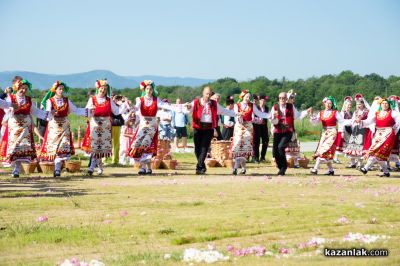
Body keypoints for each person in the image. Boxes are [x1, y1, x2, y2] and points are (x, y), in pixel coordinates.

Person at [128, 80, 184, 175]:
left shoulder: (156, 100)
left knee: (147, 146)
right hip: (143, 125)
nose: (149, 90)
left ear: (152, 90)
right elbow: (136, 108)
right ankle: (146, 168)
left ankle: (145, 168)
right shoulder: (140, 100)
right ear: (144, 90)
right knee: (138, 145)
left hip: (152, 126)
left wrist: (180, 107)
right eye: (147, 89)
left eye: (150, 89)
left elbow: (167, 106)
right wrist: (130, 105)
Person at [39, 81, 89, 177]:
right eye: (59, 89)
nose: (61, 91)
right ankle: (57, 168)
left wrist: (88, 111)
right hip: (54, 126)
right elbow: (47, 113)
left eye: (62, 89)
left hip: (65, 126)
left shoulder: (66, 100)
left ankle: (57, 169)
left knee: (63, 147)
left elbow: (75, 110)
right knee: (55, 149)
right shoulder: (50, 101)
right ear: (55, 90)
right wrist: (51, 113)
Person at [0, 79, 49, 177]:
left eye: (25, 89)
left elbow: (36, 112)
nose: (23, 90)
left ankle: (17, 170)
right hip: (14, 126)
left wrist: (49, 114)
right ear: (17, 88)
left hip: (25, 126)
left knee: (22, 148)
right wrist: (11, 111)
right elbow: (5, 107)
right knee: (14, 147)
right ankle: (16, 168)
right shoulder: (11, 98)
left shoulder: (28, 100)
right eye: (22, 88)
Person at [82, 79, 129, 176]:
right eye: (101, 88)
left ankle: (99, 167)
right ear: (98, 88)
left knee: (102, 147)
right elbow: (86, 111)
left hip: (106, 125)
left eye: (105, 89)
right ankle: (92, 167)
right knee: (95, 146)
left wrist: (125, 104)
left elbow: (116, 111)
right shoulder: (92, 99)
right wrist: (90, 110)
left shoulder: (109, 100)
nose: (103, 90)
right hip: (95, 124)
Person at [185, 86, 235, 174]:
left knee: (204, 148)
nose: (208, 95)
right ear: (203, 93)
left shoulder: (214, 104)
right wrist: (188, 107)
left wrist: (237, 114)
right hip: (198, 127)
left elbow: (224, 111)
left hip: (209, 128)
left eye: (209, 94)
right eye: (206, 93)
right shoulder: (196, 102)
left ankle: (199, 167)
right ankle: (201, 166)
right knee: (197, 149)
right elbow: (188, 109)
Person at [230, 90, 271, 175]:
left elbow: (260, 114)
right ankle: (240, 168)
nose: (248, 98)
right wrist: (239, 117)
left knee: (245, 149)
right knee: (238, 148)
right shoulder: (236, 105)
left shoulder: (252, 105)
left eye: (249, 97)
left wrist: (270, 115)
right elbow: (235, 117)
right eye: (246, 96)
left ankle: (237, 168)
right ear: (242, 96)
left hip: (248, 128)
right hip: (239, 128)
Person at [270, 92, 310, 176]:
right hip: (277, 131)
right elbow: (272, 121)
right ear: (278, 99)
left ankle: (283, 167)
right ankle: (280, 167)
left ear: (286, 99)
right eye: (280, 98)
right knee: (275, 151)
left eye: (284, 98)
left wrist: (307, 111)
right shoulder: (274, 107)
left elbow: (298, 115)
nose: (282, 100)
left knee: (281, 147)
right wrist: (274, 118)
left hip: (288, 131)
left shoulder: (291, 106)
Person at [358, 98, 400, 177]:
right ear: (380, 105)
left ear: (389, 105)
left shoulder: (393, 113)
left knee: (377, 151)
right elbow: (369, 121)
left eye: (386, 103)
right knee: (379, 154)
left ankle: (365, 168)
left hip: (388, 134)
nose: (385, 105)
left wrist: (394, 130)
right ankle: (386, 172)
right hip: (378, 134)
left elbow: (399, 121)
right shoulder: (377, 113)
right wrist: (361, 121)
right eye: (383, 103)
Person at [310, 96, 351, 175]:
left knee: (323, 150)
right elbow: (314, 123)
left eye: (330, 103)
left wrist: (353, 121)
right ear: (324, 103)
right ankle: (331, 170)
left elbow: (342, 122)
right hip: (324, 133)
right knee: (325, 151)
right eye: (327, 103)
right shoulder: (321, 113)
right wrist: (311, 115)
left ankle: (315, 169)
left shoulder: (335, 113)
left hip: (332, 132)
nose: (328, 104)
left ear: (332, 104)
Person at [343, 94, 370, 168]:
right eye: (357, 104)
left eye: (360, 104)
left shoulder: (367, 112)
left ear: (363, 104)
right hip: (355, 129)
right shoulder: (355, 112)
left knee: (360, 146)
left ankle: (359, 163)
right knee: (352, 145)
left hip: (362, 130)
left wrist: (361, 121)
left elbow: (369, 120)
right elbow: (352, 121)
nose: (358, 105)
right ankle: (352, 163)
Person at [333, 96, 353, 163]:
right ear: (345, 105)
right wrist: (342, 131)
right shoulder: (342, 113)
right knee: (340, 144)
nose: (349, 106)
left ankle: (351, 159)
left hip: (349, 130)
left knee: (349, 144)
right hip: (343, 130)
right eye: (348, 105)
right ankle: (335, 158)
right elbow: (341, 123)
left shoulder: (351, 113)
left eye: (350, 105)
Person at [252, 95, 270, 163]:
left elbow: (267, 117)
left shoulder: (267, 108)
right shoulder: (256, 108)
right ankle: (256, 157)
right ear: (259, 101)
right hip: (257, 126)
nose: (263, 102)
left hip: (264, 126)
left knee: (265, 141)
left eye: (264, 101)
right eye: (262, 100)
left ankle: (262, 157)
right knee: (256, 142)